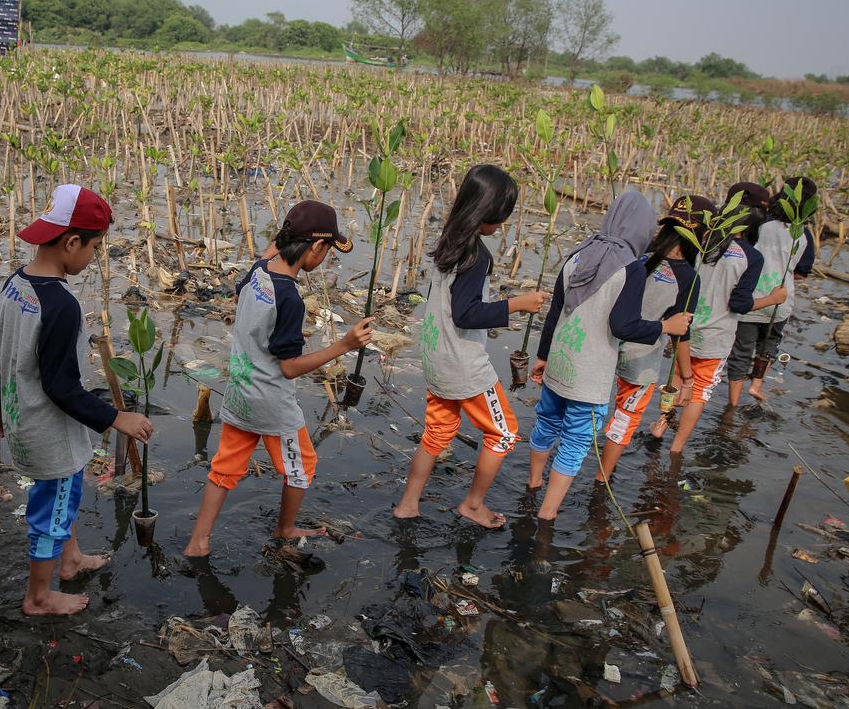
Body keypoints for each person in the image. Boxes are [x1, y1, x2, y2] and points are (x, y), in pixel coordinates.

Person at [0, 184, 153, 616]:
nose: (94, 256)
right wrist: (116, 418)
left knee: (64, 491)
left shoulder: (15, 285)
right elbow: (61, 387)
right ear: (72, 242)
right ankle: (39, 596)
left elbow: (2, 353)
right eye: (95, 247)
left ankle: (72, 559)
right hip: (48, 428)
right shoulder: (60, 304)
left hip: (18, 411)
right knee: (53, 508)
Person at [183, 200, 371, 557]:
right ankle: (285, 528)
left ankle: (199, 541)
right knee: (302, 466)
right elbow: (289, 368)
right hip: (270, 402)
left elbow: (248, 281)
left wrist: (287, 233)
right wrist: (344, 344)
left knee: (224, 469)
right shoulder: (290, 299)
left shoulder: (258, 272)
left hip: (239, 392)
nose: (327, 257)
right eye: (328, 250)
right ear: (316, 247)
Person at [392, 165, 548, 526]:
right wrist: (516, 304)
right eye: (502, 215)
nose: (502, 222)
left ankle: (408, 503)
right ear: (489, 212)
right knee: (505, 432)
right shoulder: (476, 256)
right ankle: (473, 504)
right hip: (464, 366)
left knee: (438, 432)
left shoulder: (449, 240)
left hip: (436, 358)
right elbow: (466, 314)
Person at [528, 191, 691, 520]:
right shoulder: (630, 268)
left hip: (560, 359)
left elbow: (556, 310)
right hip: (590, 372)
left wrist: (543, 355)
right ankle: (547, 512)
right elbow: (624, 326)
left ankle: (532, 484)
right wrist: (665, 326)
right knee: (575, 439)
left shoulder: (577, 254)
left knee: (547, 421)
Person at [668, 182, 786, 454]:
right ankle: (677, 447)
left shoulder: (703, 243)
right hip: (717, 336)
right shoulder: (751, 256)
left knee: (676, 377)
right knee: (699, 392)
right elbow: (740, 304)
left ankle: (660, 426)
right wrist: (772, 299)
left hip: (684, 327)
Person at [596, 196, 708, 480]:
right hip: (641, 359)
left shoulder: (636, 254)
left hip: (604, 344)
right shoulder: (689, 278)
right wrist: (687, 377)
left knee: (589, 409)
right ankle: (602, 477)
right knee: (625, 416)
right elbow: (681, 334)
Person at [726, 176, 817, 404]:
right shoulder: (803, 234)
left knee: (741, 351)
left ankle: (733, 402)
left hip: (751, 298)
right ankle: (756, 386)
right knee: (769, 343)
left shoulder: (760, 224)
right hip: (781, 302)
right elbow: (802, 272)